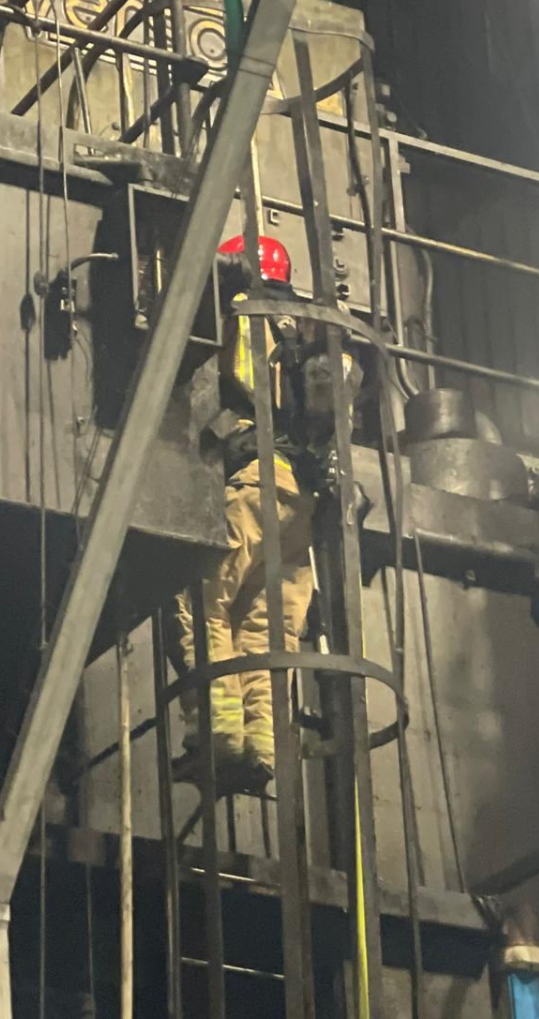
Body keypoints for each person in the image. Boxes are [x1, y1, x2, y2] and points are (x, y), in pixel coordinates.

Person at [173, 234, 317, 796]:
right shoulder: (312, 333)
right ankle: (263, 748)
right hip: (301, 500)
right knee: (265, 632)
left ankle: (220, 737)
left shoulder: (239, 313)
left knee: (201, 603)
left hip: (251, 479)